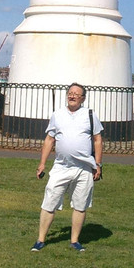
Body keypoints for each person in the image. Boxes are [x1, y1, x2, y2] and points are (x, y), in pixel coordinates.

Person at [31, 83, 103, 252]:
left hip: (84, 167)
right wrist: (42, 163)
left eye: (76, 94)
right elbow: (50, 139)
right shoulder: (58, 115)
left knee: (80, 204)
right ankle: (40, 240)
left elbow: (97, 140)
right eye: (70, 93)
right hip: (61, 167)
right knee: (49, 201)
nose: (72, 96)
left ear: (82, 98)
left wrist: (98, 164)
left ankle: (75, 240)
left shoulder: (90, 115)